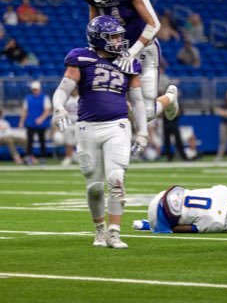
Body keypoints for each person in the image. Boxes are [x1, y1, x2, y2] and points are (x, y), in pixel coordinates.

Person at [52, 15, 148, 248]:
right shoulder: (81, 57)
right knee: (95, 187)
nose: (118, 41)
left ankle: (114, 232)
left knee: (116, 179)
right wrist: (58, 107)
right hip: (87, 127)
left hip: (117, 125)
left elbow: (137, 102)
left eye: (118, 36)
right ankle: (100, 230)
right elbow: (63, 89)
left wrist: (143, 131)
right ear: (98, 38)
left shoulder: (128, 62)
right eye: (113, 37)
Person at [80, 0, 178, 123]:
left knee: (147, 114)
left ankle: (170, 97)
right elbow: (94, 23)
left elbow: (154, 24)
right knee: (114, 108)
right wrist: (94, 50)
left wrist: (132, 52)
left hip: (143, 49)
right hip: (115, 51)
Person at [133, 185, 227, 234]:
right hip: (162, 217)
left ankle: (147, 224)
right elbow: (183, 229)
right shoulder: (217, 224)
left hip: (164, 194)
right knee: (177, 226)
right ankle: (150, 225)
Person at [19, 80, 51, 164]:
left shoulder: (45, 97)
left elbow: (47, 110)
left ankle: (43, 157)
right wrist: (21, 121)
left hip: (41, 123)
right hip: (30, 122)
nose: (35, 91)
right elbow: (24, 110)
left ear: (39, 89)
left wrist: (41, 118)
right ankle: (29, 157)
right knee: (30, 141)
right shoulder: (28, 98)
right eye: (33, 89)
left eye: (36, 89)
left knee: (42, 141)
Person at [54, 89, 79, 166]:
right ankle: (68, 157)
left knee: (80, 142)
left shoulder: (81, 98)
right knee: (68, 142)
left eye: (75, 89)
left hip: (79, 123)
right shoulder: (66, 99)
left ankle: (80, 157)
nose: (74, 91)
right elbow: (59, 111)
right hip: (68, 123)